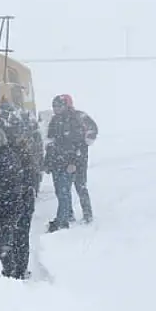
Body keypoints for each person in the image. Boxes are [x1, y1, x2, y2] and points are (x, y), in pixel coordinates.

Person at [0, 119, 38, 279]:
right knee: (21, 238)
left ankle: (11, 272)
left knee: (2, 242)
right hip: (23, 203)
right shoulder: (14, 154)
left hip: (11, 207)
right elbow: (30, 175)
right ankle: (20, 270)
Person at [44, 94, 91, 232]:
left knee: (77, 188)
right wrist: (47, 162)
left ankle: (72, 218)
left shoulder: (75, 120)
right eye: (54, 106)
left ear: (66, 106)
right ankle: (68, 215)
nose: (56, 109)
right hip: (57, 162)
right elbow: (51, 143)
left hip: (72, 163)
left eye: (59, 106)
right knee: (60, 191)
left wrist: (74, 162)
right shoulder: (54, 121)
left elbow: (78, 144)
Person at [62, 94, 99, 222]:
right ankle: (73, 214)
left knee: (78, 185)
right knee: (71, 186)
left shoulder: (79, 116)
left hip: (79, 156)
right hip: (68, 156)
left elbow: (93, 129)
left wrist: (84, 143)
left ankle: (86, 214)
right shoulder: (64, 117)